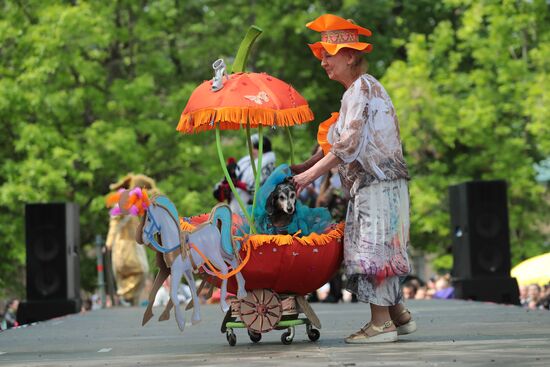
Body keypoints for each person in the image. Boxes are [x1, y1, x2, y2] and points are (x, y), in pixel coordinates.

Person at [292, 14, 415, 343]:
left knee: (371, 250)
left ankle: (381, 324)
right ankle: (398, 314)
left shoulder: (361, 90)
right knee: (381, 248)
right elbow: (337, 141)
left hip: (377, 185)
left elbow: (347, 145)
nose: (323, 63)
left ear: (349, 55)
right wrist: (304, 165)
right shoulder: (360, 91)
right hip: (380, 185)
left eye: (328, 56)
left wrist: (308, 176)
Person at [106, 174, 153, 306]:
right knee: (139, 271)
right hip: (123, 245)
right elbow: (115, 223)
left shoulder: (135, 204)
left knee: (139, 273)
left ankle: (129, 299)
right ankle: (125, 296)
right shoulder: (122, 203)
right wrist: (109, 242)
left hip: (133, 244)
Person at [230, 134, 276, 214]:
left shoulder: (268, 165)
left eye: (254, 148)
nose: (250, 151)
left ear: (262, 148)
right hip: (237, 204)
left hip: (253, 209)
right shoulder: (246, 162)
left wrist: (241, 185)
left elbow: (262, 190)